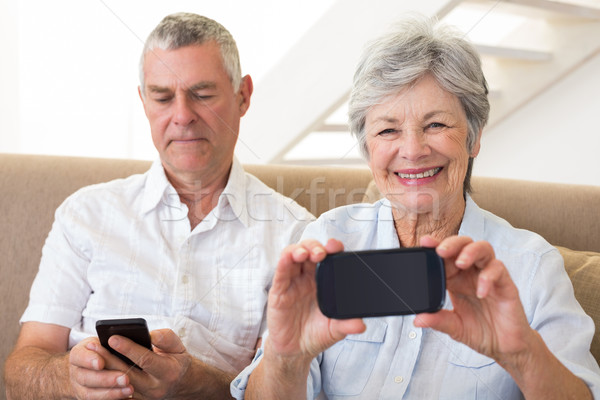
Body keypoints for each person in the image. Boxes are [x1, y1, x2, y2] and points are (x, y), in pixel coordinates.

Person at [230, 15, 600, 399]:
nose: (412, 150)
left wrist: (523, 355)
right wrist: (285, 357)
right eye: (388, 130)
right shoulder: (328, 241)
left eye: (436, 124)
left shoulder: (532, 268)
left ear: (473, 139)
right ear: (368, 149)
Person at [4, 12, 313, 400]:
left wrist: (194, 383)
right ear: (143, 101)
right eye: (162, 97)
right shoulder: (85, 214)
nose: (182, 116)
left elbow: (283, 390)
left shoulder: (295, 233)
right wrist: (67, 378)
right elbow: (20, 370)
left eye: (202, 94)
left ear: (243, 96)